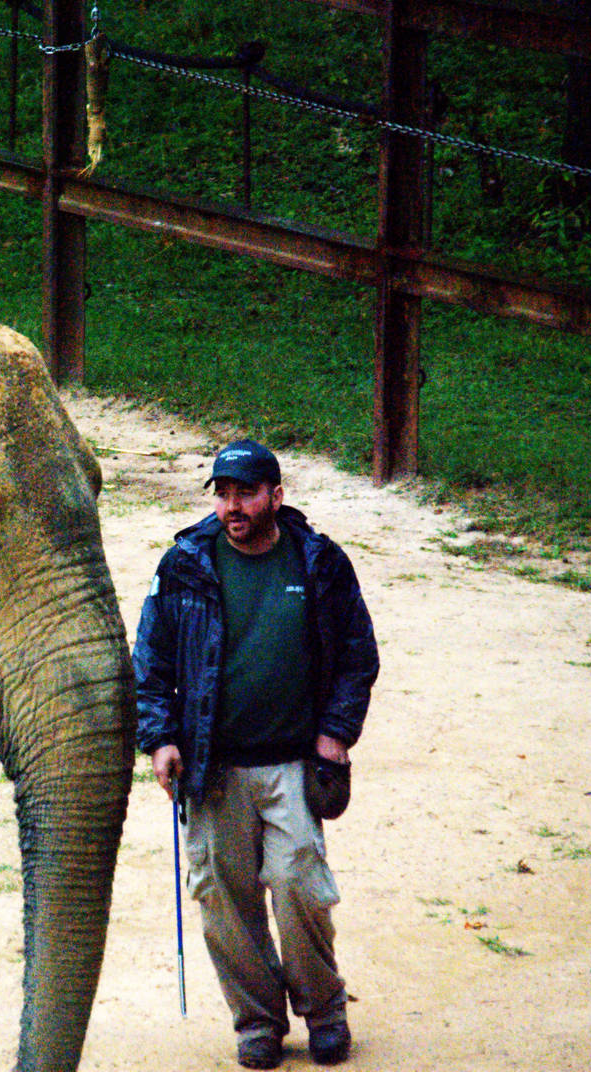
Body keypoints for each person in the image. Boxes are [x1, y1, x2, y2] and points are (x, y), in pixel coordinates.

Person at [133, 439, 379, 1069]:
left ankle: (324, 1011)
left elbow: (357, 654)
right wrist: (160, 739)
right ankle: (258, 1022)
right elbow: (151, 664)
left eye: (245, 492)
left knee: (300, 884)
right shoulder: (186, 563)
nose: (232, 506)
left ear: (276, 494)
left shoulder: (319, 562)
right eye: (222, 493)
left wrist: (335, 735)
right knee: (223, 899)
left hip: (294, 761)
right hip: (212, 766)